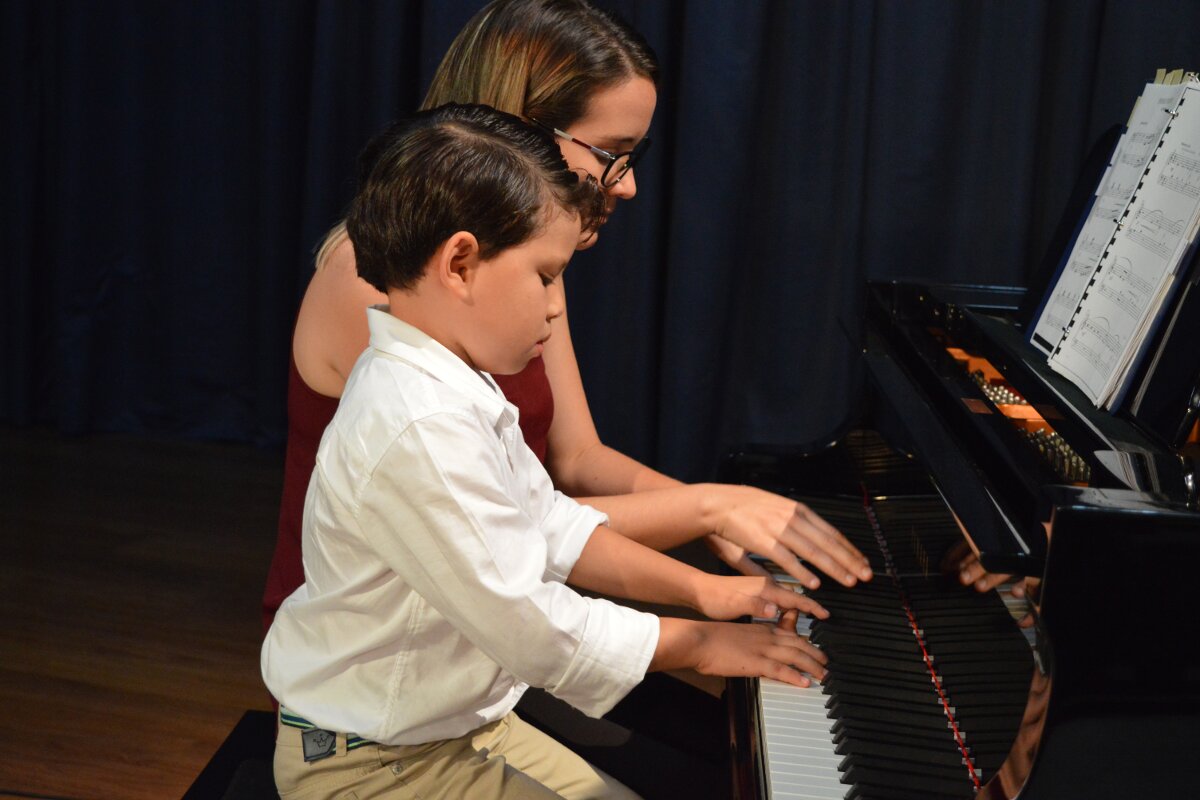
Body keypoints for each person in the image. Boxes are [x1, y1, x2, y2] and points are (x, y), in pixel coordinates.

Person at [262, 102, 831, 800]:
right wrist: (702, 644)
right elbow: (530, 625)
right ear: (460, 264)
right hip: (370, 763)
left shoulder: (451, 381)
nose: (557, 308)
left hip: (450, 729)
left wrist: (707, 592)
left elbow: (549, 524)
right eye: (545, 275)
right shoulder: (417, 422)